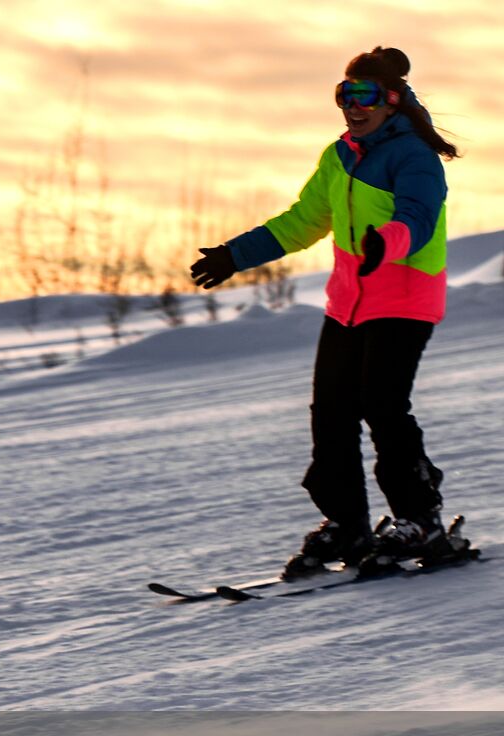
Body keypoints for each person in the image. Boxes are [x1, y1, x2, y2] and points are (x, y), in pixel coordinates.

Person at [190, 46, 461, 578]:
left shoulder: (413, 157)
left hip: (404, 298)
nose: (351, 106)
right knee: (331, 412)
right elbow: (302, 222)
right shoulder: (338, 156)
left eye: (362, 96)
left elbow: (419, 217)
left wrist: (388, 242)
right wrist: (234, 255)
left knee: (383, 406)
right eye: (343, 95)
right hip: (348, 305)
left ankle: (419, 517)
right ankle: (347, 524)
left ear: (391, 100)